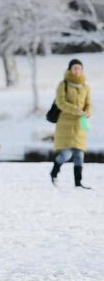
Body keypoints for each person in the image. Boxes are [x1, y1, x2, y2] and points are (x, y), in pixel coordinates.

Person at [50, 59, 92, 189]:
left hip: (80, 124)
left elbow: (88, 103)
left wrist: (88, 111)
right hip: (65, 124)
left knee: (80, 154)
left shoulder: (85, 86)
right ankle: (54, 171)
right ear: (70, 69)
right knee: (66, 154)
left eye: (79, 68)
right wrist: (76, 110)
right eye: (74, 68)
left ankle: (78, 183)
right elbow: (60, 103)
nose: (77, 70)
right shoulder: (63, 84)